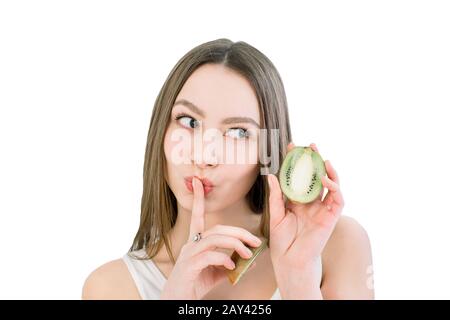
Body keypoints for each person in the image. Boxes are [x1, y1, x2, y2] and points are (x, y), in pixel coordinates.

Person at [82, 38, 374, 300]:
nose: (205, 156)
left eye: (237, 133)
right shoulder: (111, 287)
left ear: (268, 151)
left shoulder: (335, 246)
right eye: (189, 121)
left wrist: (297, 278)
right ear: (161, 129)